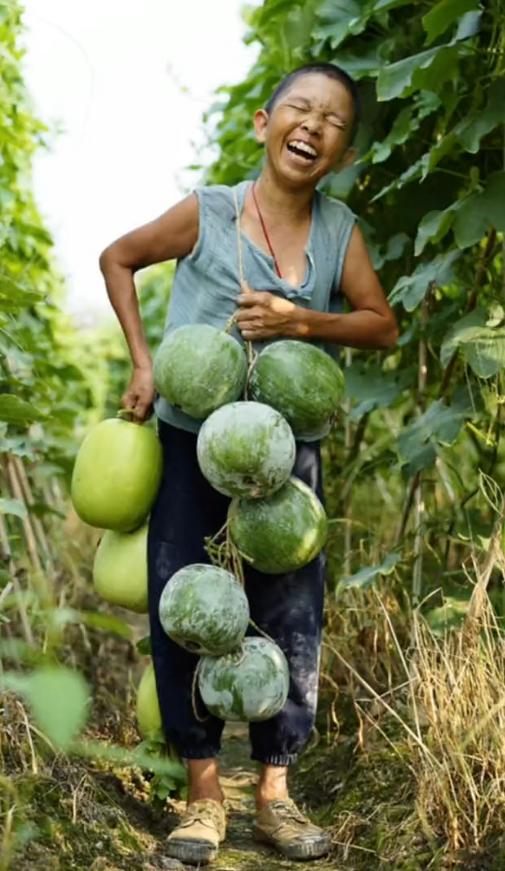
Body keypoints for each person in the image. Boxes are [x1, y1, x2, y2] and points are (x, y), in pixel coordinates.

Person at [99, 62, 398, 866]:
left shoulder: (339, 231)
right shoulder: (208, 212)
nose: (313, 125)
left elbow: (379, 324)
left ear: (339, 151)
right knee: (184, 606)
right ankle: (201, 794)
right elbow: (118, 257)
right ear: (264, 123)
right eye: (299, 109)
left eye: (332, 120)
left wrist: (301, 322)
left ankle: (272, 794)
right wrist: (141, 362)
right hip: (193, 444)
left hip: (282, 448)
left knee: (291, 612)